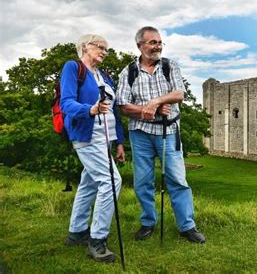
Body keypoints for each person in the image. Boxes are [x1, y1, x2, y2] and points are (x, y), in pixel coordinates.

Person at [116, 26, 205, 243]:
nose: (157, 46)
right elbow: (122, 105)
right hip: (140, 133)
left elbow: (178, 94)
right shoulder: (128, 72)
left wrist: (156, 102)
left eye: (159, 42)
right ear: (140, 46)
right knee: (142, 181)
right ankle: (148, 222)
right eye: (152, 42)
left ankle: (187, 226)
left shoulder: (169, 66)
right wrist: (150, 110)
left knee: (177, 179)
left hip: (168, 130)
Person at [62, 34, 125, 262]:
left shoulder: (104, 76)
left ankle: (77, 232)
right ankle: (97, 241)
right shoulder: (73, 68)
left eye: (106, 49)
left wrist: (119, 141)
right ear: (85, 47)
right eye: (100, 47)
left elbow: (113, 110)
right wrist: (90, 110)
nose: (104, 52)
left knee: (89, 184)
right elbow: (66, 103)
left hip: (105, 139)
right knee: (111, 181)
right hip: (86, 137)